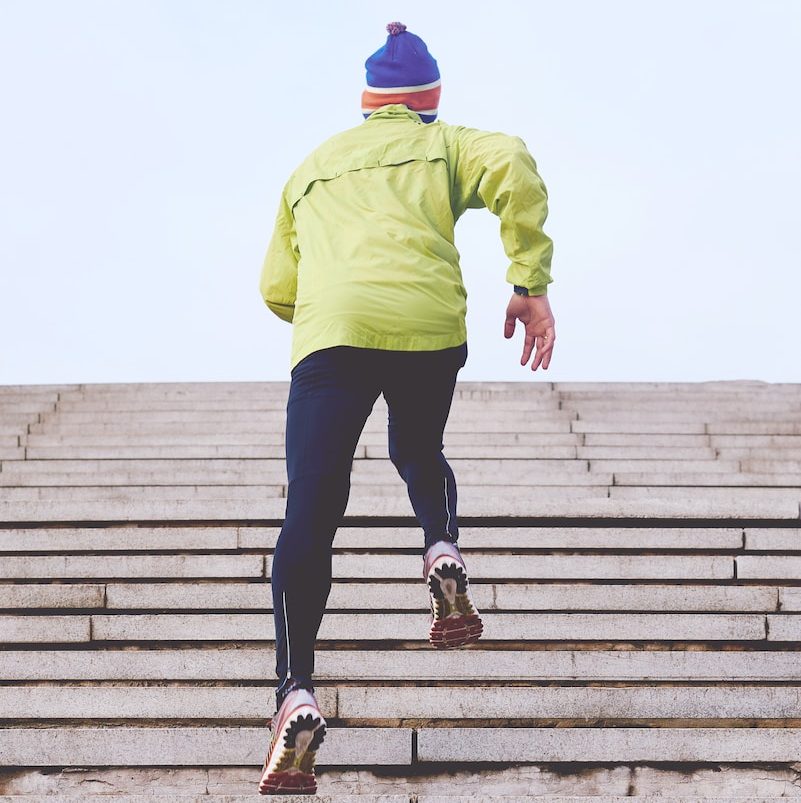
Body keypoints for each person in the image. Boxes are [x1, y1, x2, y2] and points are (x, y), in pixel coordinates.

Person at [256, 21, 556, 795]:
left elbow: (275, 287)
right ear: (428, 100)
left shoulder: (310, 167)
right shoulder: (444, 142)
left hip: (332, 336)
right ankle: (441, 547)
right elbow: (512, 163)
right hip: (426, 325)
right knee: (417, 451)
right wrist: (527, 280)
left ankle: (295, 688)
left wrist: (334, 305)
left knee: (312, 507)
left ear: (366, 102)